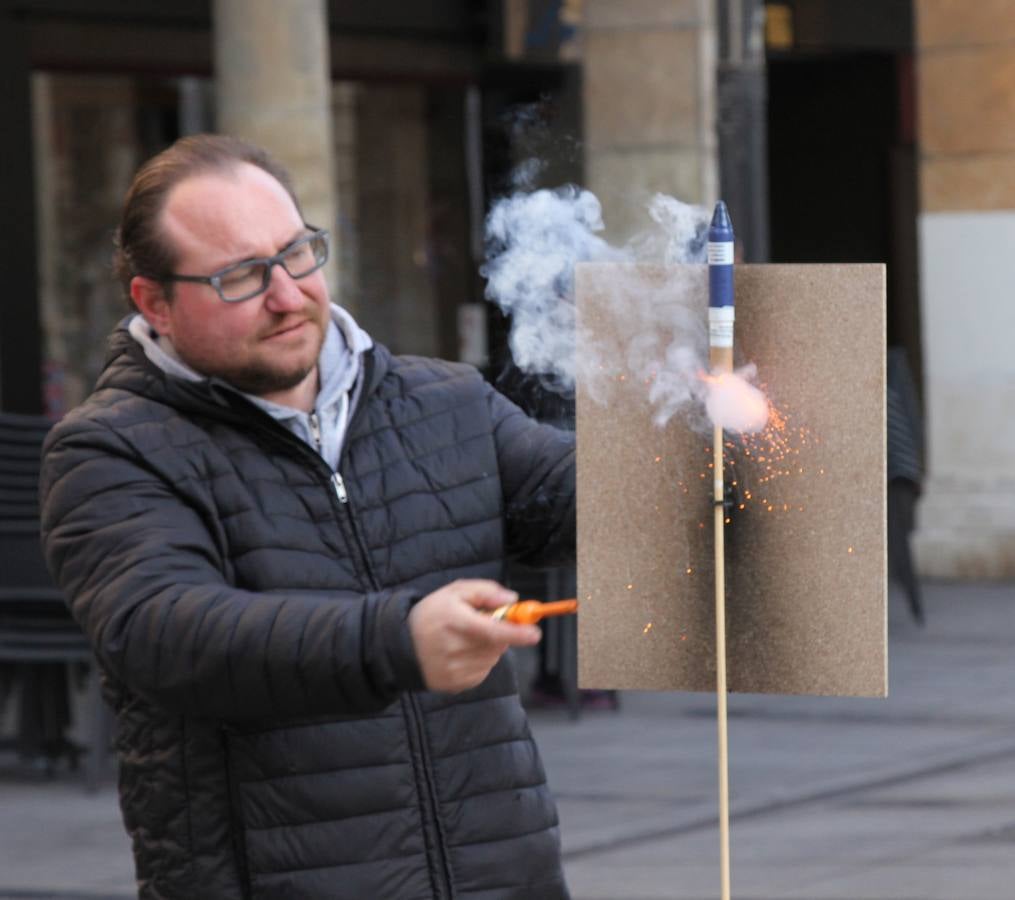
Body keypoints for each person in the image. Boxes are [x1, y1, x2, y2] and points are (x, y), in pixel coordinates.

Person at [39, 134, 575, 899]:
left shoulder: (447, 400)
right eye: (239, 278)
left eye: (296, 254)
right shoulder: (108, 449)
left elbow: (578, 501)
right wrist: (395, 641)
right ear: (154, 302)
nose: (287, 294)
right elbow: (167, 632)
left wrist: (701, 468)